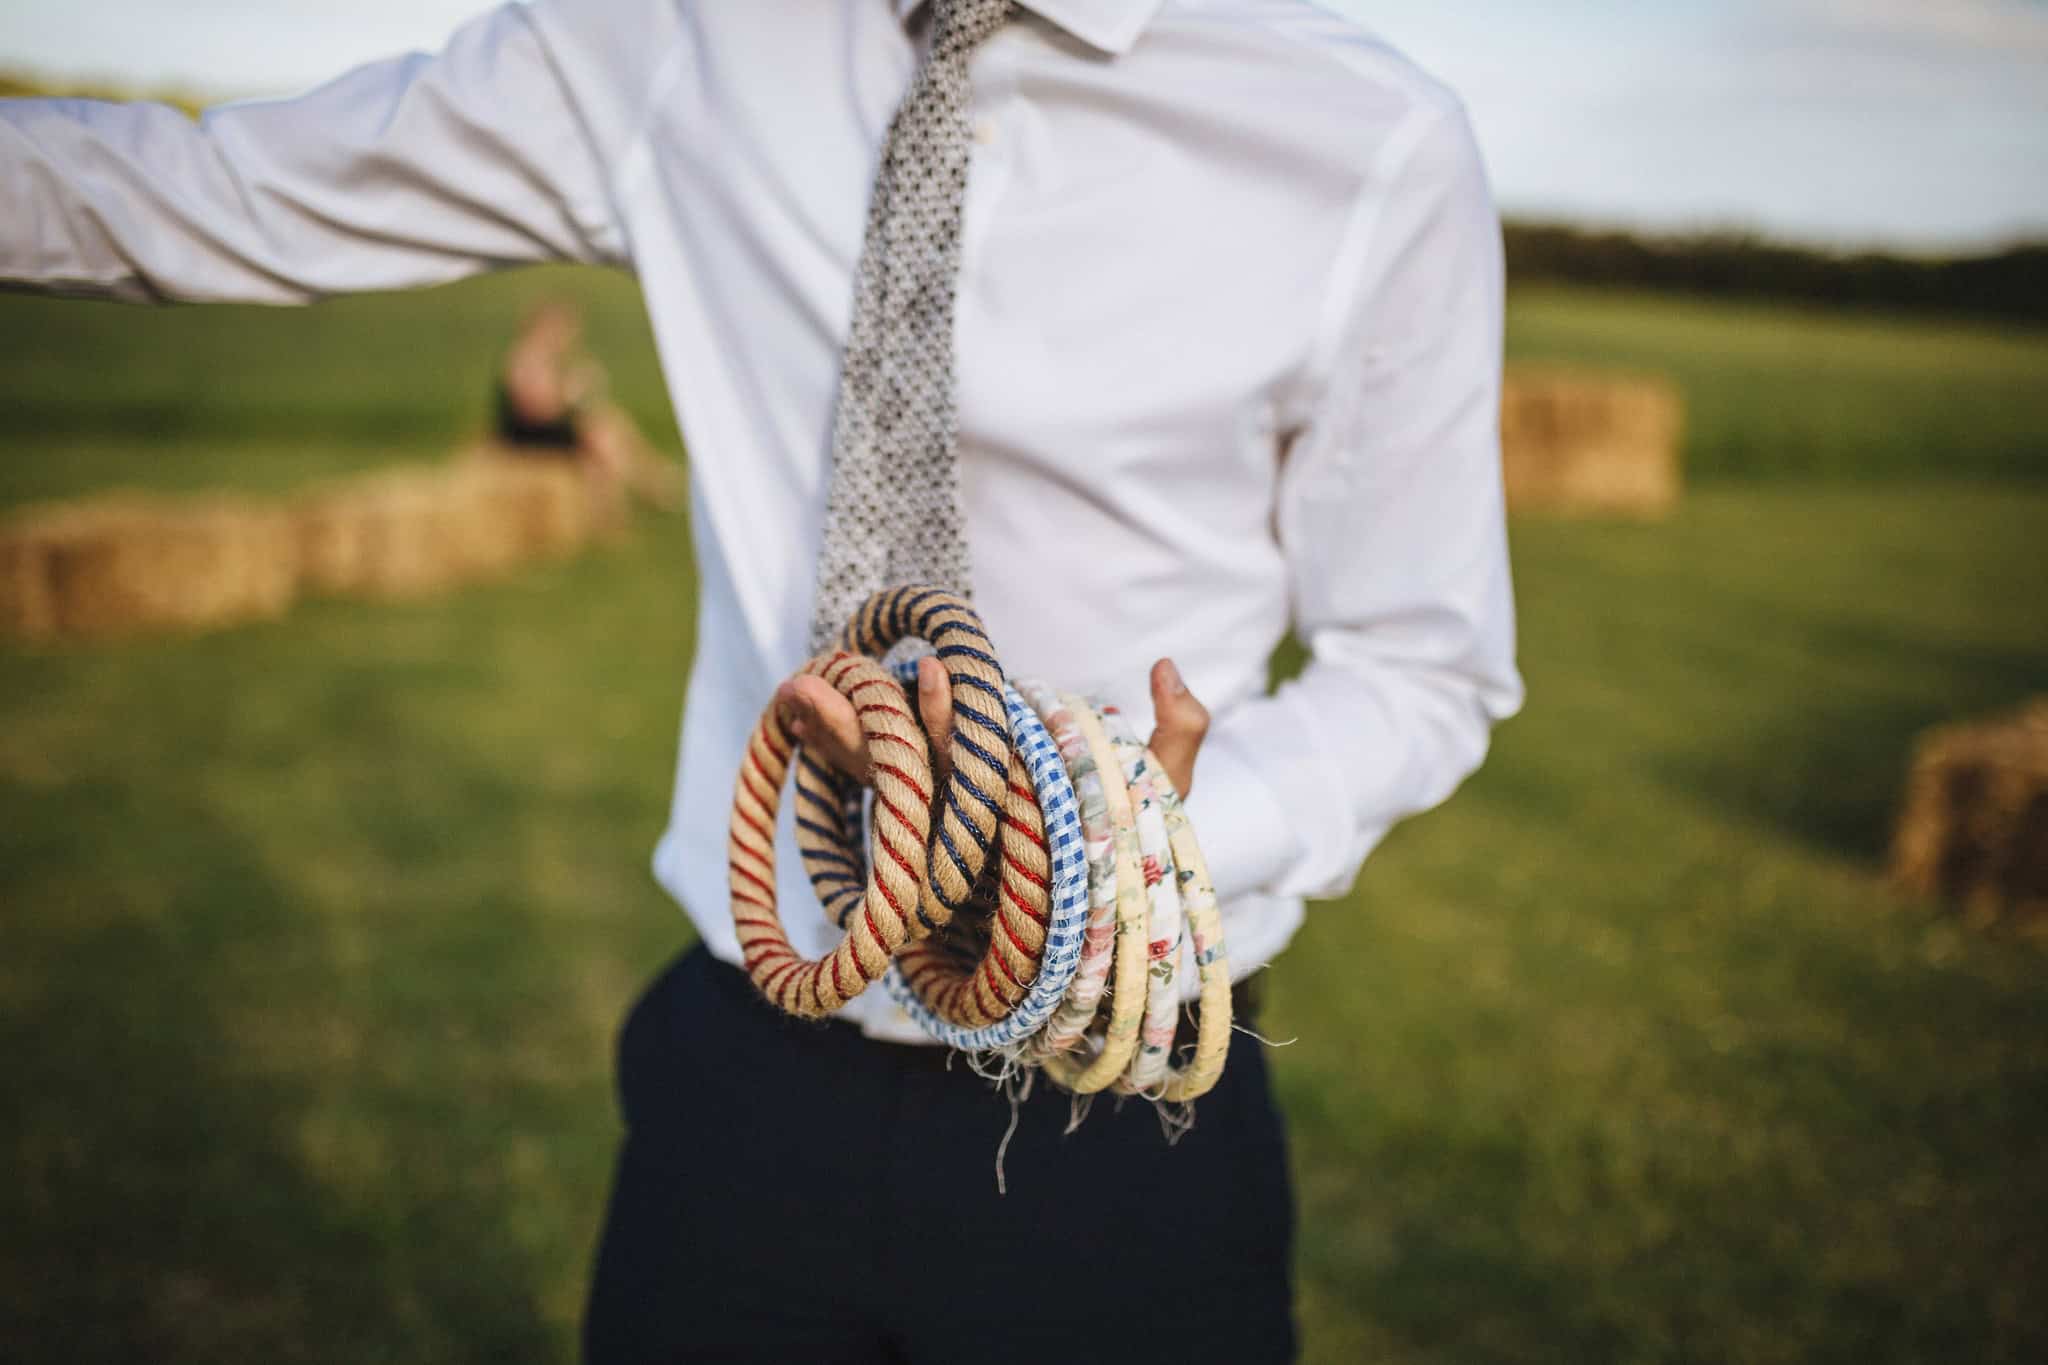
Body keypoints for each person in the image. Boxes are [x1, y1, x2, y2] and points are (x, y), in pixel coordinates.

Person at [1, 2, 1526, 1360]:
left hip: (1117, 1124)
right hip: (742, 1093)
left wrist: (1143, 842)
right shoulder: (680, 35)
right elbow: (211, 193)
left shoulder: (1366, 146)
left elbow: (1421, 661)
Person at [491, 296, 684, 516]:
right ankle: (652, 485)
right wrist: (571, 394)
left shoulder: (542, 357)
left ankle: (636, 493)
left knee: (607, 429)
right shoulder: (526, 358)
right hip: (527, 434)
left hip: (543, 429)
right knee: (601, 440)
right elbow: (532, 409)